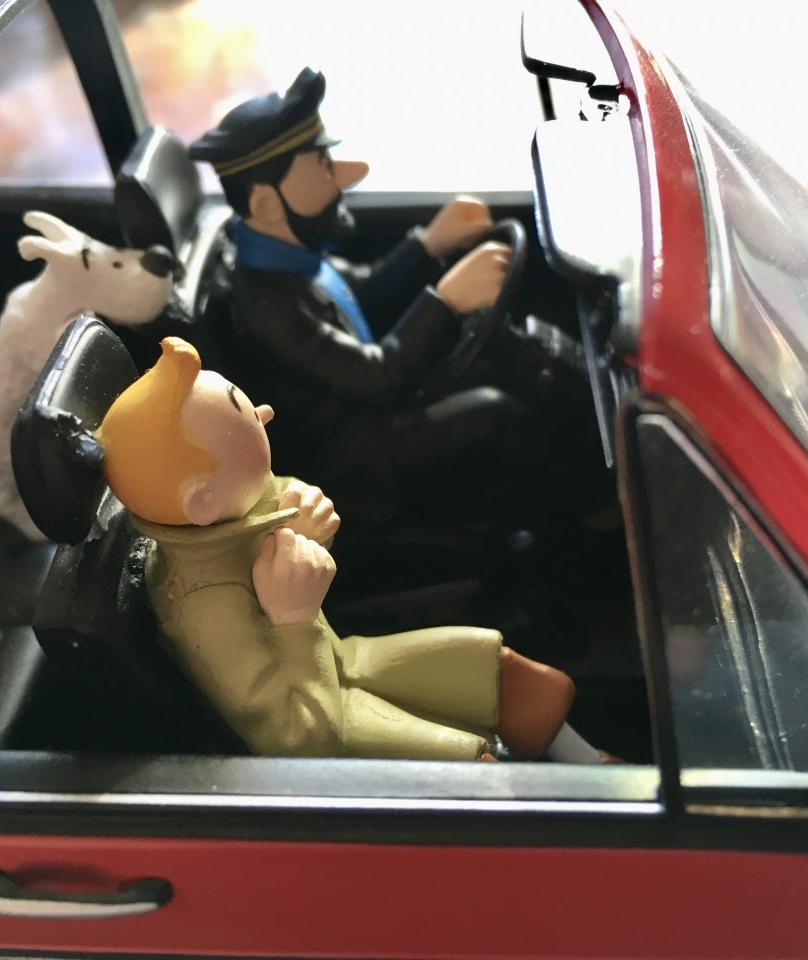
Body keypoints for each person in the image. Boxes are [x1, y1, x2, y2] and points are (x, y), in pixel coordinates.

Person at [95, 335, 612, 762]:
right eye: (242, 418)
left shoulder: (227, 507)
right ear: (202, 499)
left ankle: (592, 767)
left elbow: (277, 501)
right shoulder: (204, 606)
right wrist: (295, 621)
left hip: (339, 662)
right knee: (473, 767)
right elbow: (298, 741)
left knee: (495, 671)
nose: (263, 412)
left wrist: (309, 520)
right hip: (326, 719)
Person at [189, 67, 558, 529]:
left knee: (499, 359)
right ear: (266, 202)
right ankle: (566, 527)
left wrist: (428, 245)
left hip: (367, 414)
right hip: (356, 460)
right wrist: (445, 301)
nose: (346, 177)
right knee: (495, 415)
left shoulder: (289, 256)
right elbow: (377, 378)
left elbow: (359, 291)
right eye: (323, 166)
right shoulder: (266, 307)